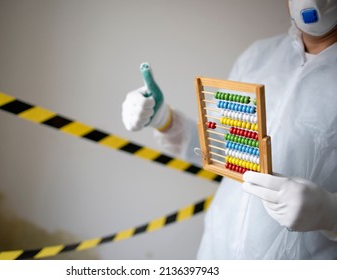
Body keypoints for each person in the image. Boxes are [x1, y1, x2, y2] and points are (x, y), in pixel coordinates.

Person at [121, 0, 337, 259]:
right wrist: (164, 120)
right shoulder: (258, 57)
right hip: (216, 253)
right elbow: (225, 151)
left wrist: (331, 214)